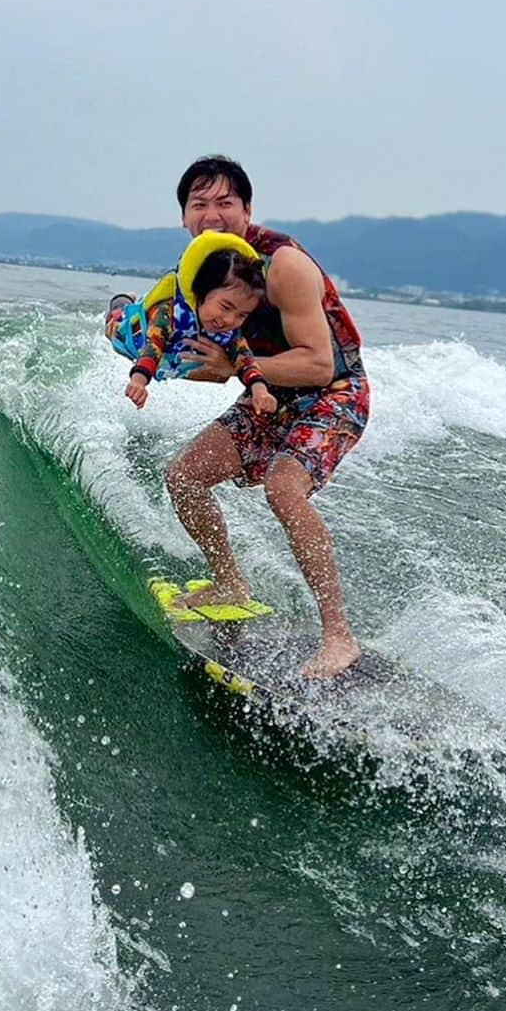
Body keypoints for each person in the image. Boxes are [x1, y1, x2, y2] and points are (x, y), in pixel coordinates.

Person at [110, 156, 369, 679]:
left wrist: (235, 369)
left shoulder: (284, 266)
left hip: (334, 393)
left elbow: (319, 362)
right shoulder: (201, 275)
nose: (211, 215)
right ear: (184, 217)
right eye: (198, 205)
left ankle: (340, 638)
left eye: (224, 203)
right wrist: (145, 357)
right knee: (184, 477)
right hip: (268, 393)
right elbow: (207, 361)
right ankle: (229, 581)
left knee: (283, 487)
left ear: (247, 209)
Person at [115, 231, 277, 418]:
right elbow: (153, 348)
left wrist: (260, 391)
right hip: (133, 337)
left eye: (242, 315)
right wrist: (138, 382)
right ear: (201, 291)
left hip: (171, 363)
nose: (230, 320)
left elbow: (247, 362)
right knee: (114, 322)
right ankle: (123, 299)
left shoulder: (232, 333)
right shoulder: (169, 313)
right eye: (225, 307)